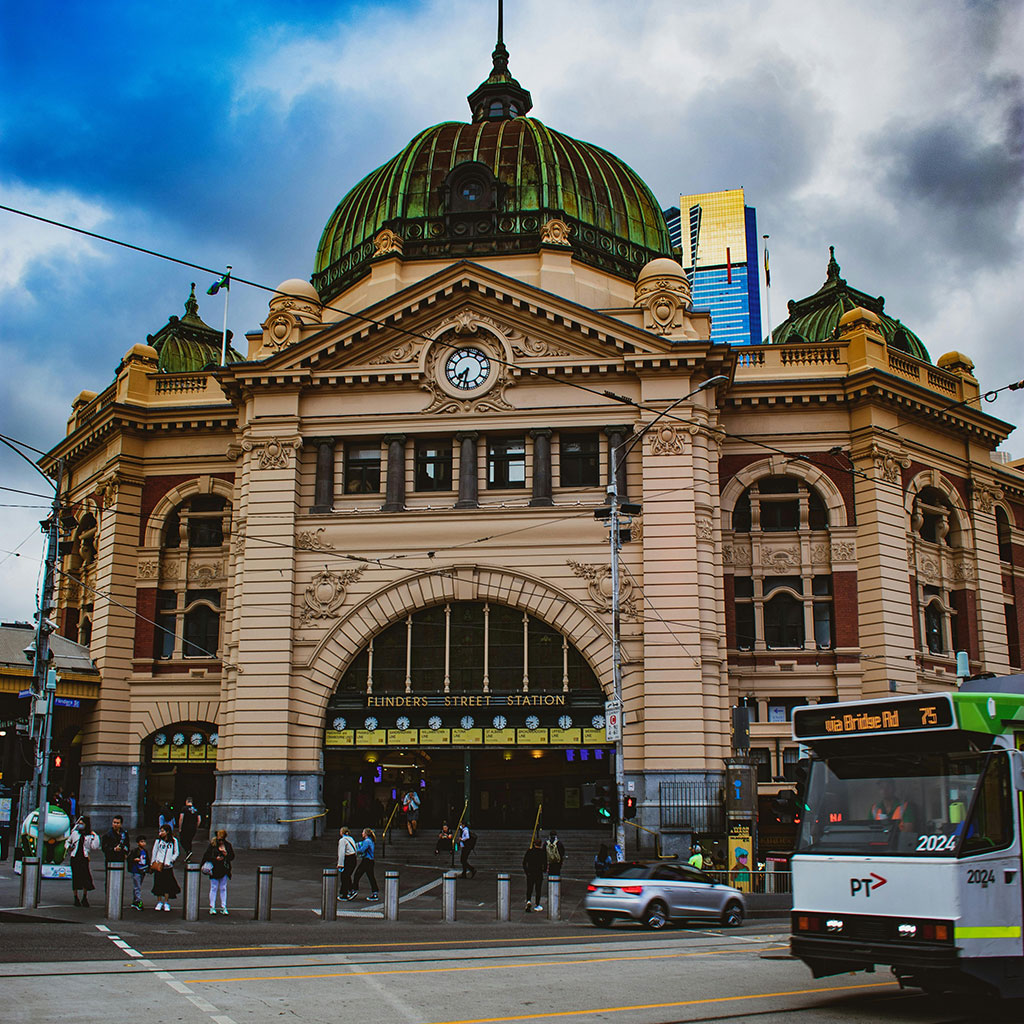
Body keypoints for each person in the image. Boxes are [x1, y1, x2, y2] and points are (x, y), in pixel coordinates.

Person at [66, 816, 99, 907]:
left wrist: (95, 836)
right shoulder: (75, 833)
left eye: (82, 823)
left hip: (84, 858)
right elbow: (68, 842)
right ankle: (75, 897)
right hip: (75, 857)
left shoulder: (89, 835)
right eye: (79, 823)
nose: (80, 825)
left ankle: (85, 897)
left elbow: (94, 846)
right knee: (76, 877)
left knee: (85, 877)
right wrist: (69, 847)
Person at [200, 829, 234, 915]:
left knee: (223, 887)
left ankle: (223, 906)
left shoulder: (228, 845)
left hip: (224, 868)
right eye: (219, 839)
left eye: (222, 839)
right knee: (214, 887)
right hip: (215, 868)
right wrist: (215, 859)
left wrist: (226, 854)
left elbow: (232, 857)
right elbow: (206, 856)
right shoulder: (213, 845)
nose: (220, 841)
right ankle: (212, 906)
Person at [151, 823, 181, 911]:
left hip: (168, 866)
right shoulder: (158, 841)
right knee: (158, 884)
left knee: (167, 884)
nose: (161, 832)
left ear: (167, 832)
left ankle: (166, 902)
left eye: (163, 831)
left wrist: (171, 860)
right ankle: (159, 901)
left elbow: (176, 852)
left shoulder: (174, 841)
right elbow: (154, 851)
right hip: (159, 864)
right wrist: (153, 862)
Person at [351, 827, 379, 901]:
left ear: (366, 834)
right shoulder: (370, 841)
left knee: (358, 874)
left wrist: (355, 849)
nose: (362, 834)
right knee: (370, 876)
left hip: (367, 861)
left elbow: (362, 849)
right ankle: (375, 892)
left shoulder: (367, 841)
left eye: (363, 832)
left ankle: (354, 890)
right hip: (369, 861)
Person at [523, 836, 546, 912]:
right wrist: (544, 870)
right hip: (538, 873)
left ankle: (528, 900)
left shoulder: (530, 851)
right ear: (540, 844)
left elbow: (524, 862)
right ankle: (537, 904)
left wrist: (527, 871)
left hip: (530, 872)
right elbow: (545, 863)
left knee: (529, 888)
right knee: (538, 889)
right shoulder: (542, 852)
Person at [176, 796, 202, 861]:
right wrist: (196, 826)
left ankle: (188, 851)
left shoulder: (184, 808)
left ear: (186, 801)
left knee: (183, 840)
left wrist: (180, 827)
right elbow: (199, 819)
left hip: (185, 827)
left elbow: (181, 818)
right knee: (189, 841)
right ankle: (189, 855)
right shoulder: (196, 809)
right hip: (193, 828)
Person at [128, 836, 149, 910]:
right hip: (136, 870)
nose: (143, 843)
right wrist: (134, 860)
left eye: (144, 842)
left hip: (142, 870)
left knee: (138, 886)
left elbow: (147, 860)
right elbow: (129, 858)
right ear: (138, 843)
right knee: (137, 887)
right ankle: (138, 901)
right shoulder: (135, 851)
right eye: (141, 842)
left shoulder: (145, 851)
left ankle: (135, 901)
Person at [337, 826, 358, 900]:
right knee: (347, 875)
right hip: (353, 858)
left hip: (348, 858)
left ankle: (346, 893)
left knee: (345, 876)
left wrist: (340, 864)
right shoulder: (350, 838)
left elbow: (341, 852)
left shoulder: (342, 840)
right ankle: (346, 891)